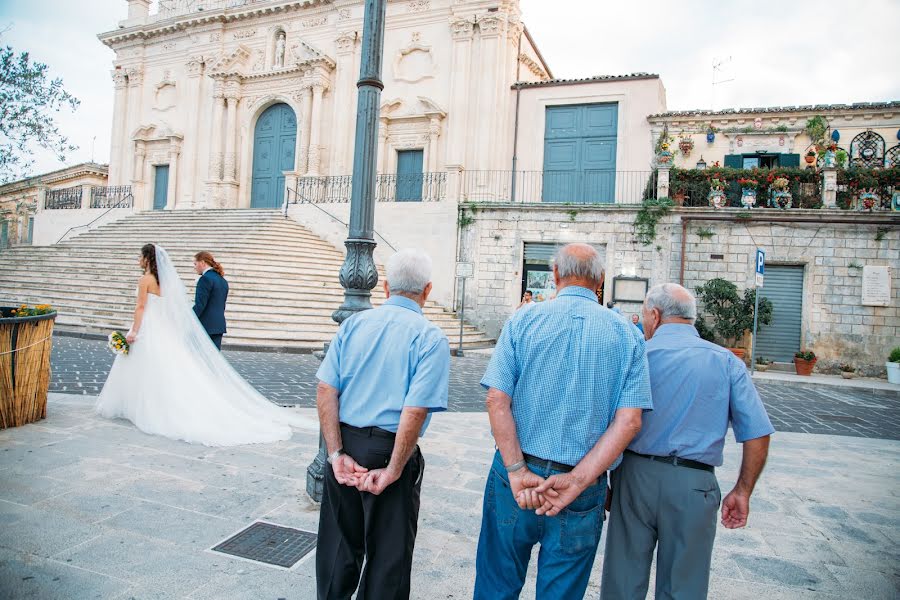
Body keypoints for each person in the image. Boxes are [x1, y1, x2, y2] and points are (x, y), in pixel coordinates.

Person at [474, 243, 652, 600]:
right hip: (581, 485)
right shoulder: (628, 335)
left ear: (554, 274)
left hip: (516, 476)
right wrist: (577, 480)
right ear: (599, 281)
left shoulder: (523, 319)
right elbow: (629, 421)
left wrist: (515, 469)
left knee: (496, 585)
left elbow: (497, 399)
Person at [600, 283, 774, 600]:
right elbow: (758, 432)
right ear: (691, 318)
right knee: (685, 587)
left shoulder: (635, 355)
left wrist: (600, 482)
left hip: (634, 478)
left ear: (654, 315)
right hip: (694, 483)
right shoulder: (726, 362)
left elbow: (602, 422)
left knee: (622, 582)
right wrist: (743, 490)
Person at [315, 248, 450, 600]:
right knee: (388, 559)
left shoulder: (354, 324)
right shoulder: (430, 337)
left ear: (386, 287)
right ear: (428, 290)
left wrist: (335, 454)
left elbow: (326, 389)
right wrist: (393, 469)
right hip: (391, 448)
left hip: (347, 442)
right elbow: (415, 411)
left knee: (337, 550)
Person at [95, 244, 316, 445]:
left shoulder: (159, 280)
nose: (138, 261)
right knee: (198, 366)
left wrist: (135, 331)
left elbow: (149, 308)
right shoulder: (212, 280)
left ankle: (146, 406)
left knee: (161, 367)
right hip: (206, 326)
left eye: (139, 257)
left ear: (146, 259)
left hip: (171, 328)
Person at [192, 251, 229, 350]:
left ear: (202, 263)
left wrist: (189, 318)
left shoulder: (205, 279)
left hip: (205, 325)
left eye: (195, 264)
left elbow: (200, 305)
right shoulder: (223, 280)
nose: (194, 267)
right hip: (218, 325)